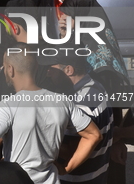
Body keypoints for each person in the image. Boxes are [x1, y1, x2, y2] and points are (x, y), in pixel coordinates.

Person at [0, 43, 102, 184]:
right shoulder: (62, 101)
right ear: (35, 68)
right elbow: (94, 135)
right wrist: (66, 167)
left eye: (4, 67)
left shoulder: (7, 106)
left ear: (10, 70)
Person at [58, 0, 131, 183]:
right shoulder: (91, 42)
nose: (65, 19)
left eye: (69, 15)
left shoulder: (101, 58)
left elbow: (111, 103)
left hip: (102, 144)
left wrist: (116, 140)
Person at [37, 44, 113, 183]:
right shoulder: (96, 86)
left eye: (51, 68)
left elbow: (74, 149)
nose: (47, 73)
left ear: (68, 70)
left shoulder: (81, 104)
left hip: (77, 178)